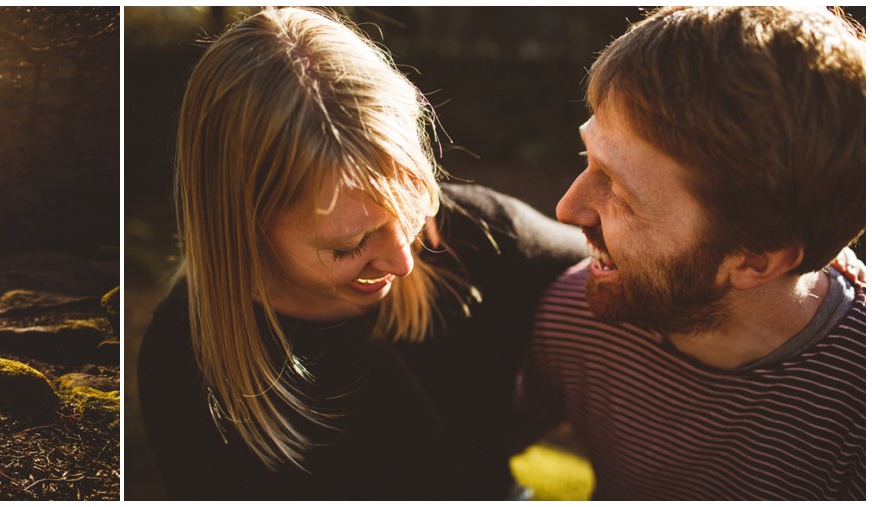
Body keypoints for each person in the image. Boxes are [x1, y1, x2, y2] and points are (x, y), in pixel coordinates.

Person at [136, 8, 589, 500]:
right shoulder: (184, 357)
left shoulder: (487, 238)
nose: (403, 261)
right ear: (241, 225)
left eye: (414, 203)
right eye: (348, 246)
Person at [525, 6, 866, 500]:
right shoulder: (575, 317)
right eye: (588, 158)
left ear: (754, 261)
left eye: (620, 192)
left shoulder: (857, 401)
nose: (567, 207)